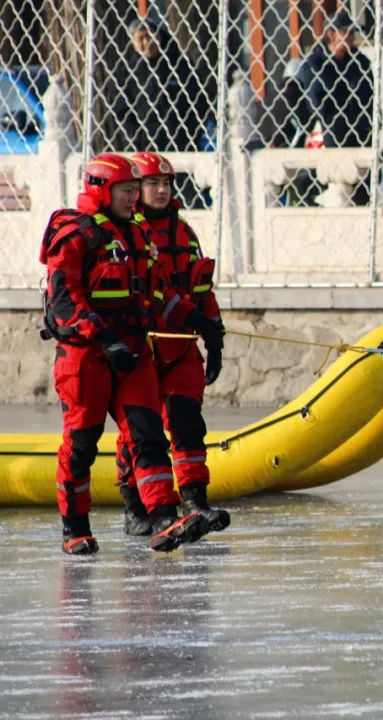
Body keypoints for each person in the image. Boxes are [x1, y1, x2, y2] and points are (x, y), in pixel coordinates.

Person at [39, 154, 222, 554]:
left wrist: (200, 320)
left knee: (148, 434)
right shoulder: (75, 235)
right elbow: (64, 300)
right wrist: (104, 338)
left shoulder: (137, 238)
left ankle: (163, 518)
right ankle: (75, 528)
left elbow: (157, 295)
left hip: (133, 354)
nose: (134, 197)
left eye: (134, 190)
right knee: (82, 445)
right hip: (86, 357)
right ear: (101, 189)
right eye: (126, 190)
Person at [114, 151, 230, 538]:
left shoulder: (184, 232)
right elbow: (152, 292)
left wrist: (213, 332)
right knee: (140, 432)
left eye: (166, 184)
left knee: (187, 424)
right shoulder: (126, 234)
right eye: (152, 184)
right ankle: (136, 507)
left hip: (181, 346)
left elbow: (200, 286)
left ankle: (195, 500)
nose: (161, 191)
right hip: (143, 345)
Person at [120, 19, 206, 152]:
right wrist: (136, 138)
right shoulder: (129, 71)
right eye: (140, 38)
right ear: (133, 43)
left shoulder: (180, 64)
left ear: (159, 35)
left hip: (181, 144)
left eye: (149, 36)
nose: (146, 42)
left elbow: (200, 101)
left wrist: (190, 135)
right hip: (145, 147)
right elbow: (122, 111)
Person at [296, 10, 374, 149]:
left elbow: (371, 96)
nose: (351, 37)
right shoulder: (316, 65)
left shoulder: (360, 63)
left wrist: (372, 122)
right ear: (331, 34)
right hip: (332, 135)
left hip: (362, 135)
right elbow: (316, 104)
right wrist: (336, 121)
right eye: (346, 32)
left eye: (352, 33)